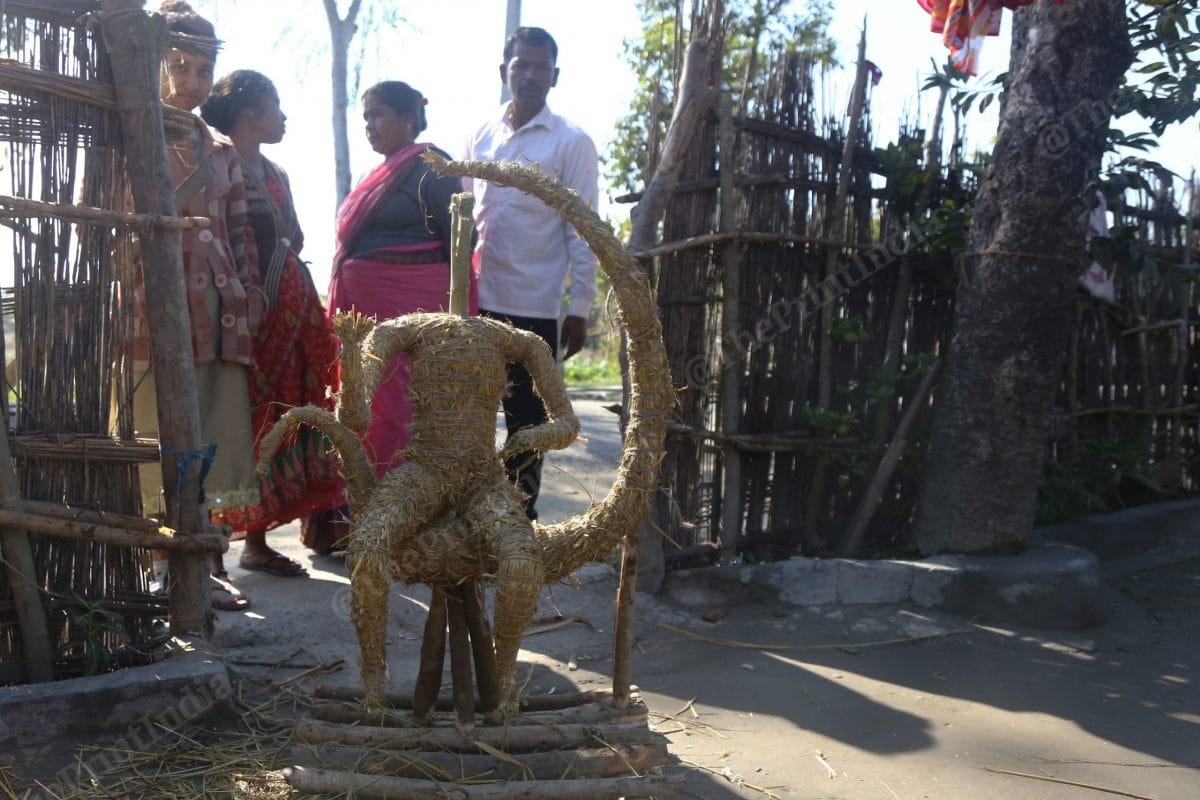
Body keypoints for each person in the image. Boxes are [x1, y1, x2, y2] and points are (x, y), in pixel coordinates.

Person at [309, 80, 474, 553]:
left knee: (399, 412)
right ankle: (351, 520)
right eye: (365, 117)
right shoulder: (375, 175)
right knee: (356, 406)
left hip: (410, 314)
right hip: (362, 317)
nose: (369, 125)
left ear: (408, 118)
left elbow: (462, 242)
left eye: (378, 114)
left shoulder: (433, 167)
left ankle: (397, 524)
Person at [134, 0, 260, 609]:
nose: (191, 81)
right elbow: (99, 227)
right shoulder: (129, 137)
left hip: (218, 311)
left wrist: (250, 292)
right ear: (155, 64)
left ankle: (206, 567)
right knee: (153, 431)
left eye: (203, 70)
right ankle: (161, 566)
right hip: (149, 308)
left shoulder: (223, 150)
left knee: (213, 431)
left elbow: (241, 233)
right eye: (179, 66)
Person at [199, 70, 342, 576]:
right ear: (249, 112)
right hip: (247, 322)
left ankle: (257, 543)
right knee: (240, 421)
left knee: (282, 419)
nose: (283, 116)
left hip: (293, 321)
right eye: (275, 104)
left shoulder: (277, 172)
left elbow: (293, 238)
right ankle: (211, 544)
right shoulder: (219, 164)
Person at [462, 26, 599, 520]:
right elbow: (465, 221)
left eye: (542, 67)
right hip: (480, 305)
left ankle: (518, 524)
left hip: (537, 310)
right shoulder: (480, 135)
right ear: (505, 71)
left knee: (528, 426)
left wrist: (578, 309)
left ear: (555, 76)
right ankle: (475, 520)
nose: (531, 75)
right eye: (522, 65)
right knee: (472, 420)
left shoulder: (572, 142)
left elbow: (583, 231)